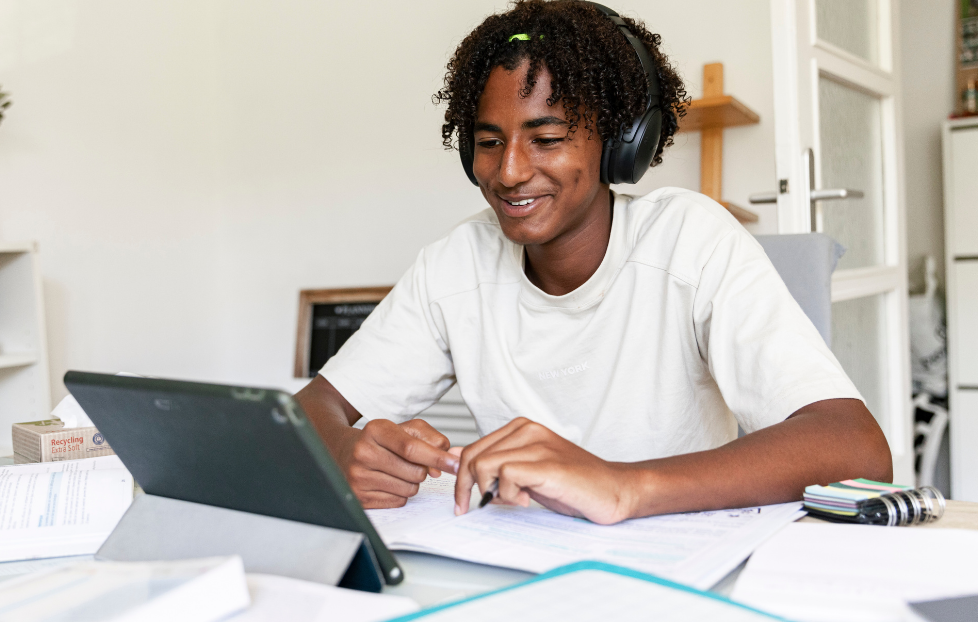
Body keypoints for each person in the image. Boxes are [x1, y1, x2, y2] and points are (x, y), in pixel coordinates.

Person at [294, 0, 891, 525]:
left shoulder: (690, 240)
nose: (509, 172)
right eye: (489, 141)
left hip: (675, 562)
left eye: (546, 139)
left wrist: (621, 483)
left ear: (620, 142)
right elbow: (313, 408)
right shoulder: (456, 265)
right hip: (521, 560)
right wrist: (345, 452)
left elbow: (855, 446)